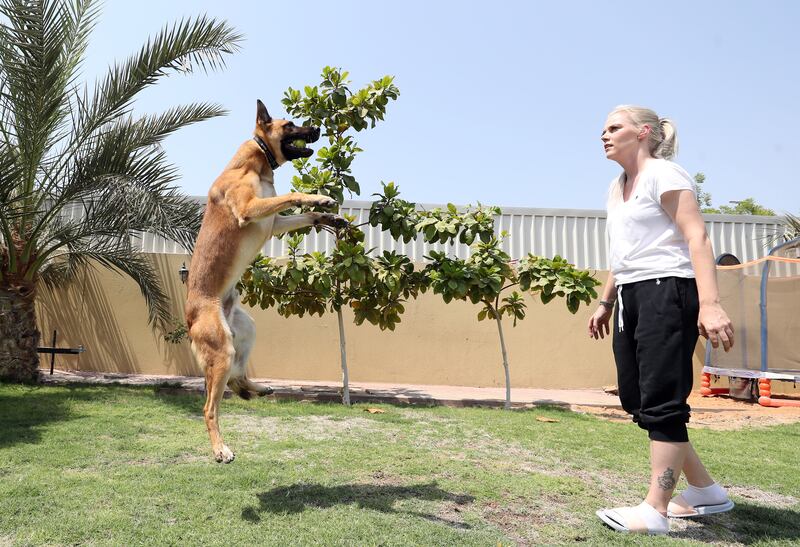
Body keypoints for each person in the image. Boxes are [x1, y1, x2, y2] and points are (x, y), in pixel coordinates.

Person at [588, 105, 735, 535]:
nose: (604, 135)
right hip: (632, 293)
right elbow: (625, 252)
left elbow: (696, 235)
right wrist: (606, 301)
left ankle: (656, 509)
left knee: (663, 400)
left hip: (668, 289)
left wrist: (710, 304)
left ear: (644, 132)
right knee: (637, 400)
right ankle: (706, 490)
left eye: (614, 128)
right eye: (603, 129)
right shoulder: (617, 187)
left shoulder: (665, 175)